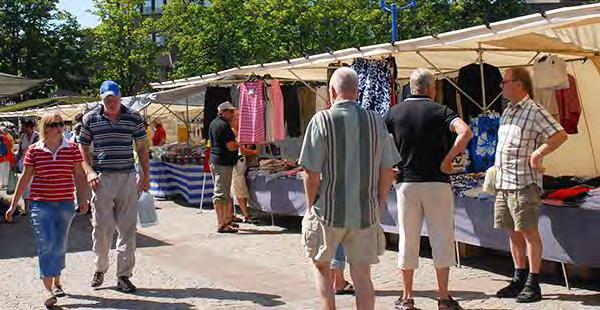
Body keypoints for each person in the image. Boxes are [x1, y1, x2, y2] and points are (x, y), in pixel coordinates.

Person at [299, 67, 400, 310]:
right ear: (357, 91)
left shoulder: (321, 120)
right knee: (362, 276)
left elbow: (310, 172)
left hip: (328, 210)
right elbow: (389, 169)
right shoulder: (375, 120)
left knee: (322, 267)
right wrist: (379, 200)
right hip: (365, 210)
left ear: (332, 92)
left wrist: (311, 205)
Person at [385, 68, 472, 310]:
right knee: (442, 238)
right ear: (432, 88)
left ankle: (407, 296)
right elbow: (465, 131)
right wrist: (448, 159)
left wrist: (389, 164)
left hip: (407, 183)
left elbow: (377, 139)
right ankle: (443, 297)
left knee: (408, 239)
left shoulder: (395, 112)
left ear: (410, 88)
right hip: (437, 182)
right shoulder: (441, 111)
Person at [494, 68, 567, 303]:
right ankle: (519, 278)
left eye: (504, 82)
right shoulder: (507, 111)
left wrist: (537, 154)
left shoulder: (534, 111)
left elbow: (559, 134)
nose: (501, 86)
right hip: (504, 183)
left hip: (524, 183)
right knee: (512, 232)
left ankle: (534, 283)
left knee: (529, 233)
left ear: (519, 84)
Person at [5, 112, 89, 309]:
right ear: (45, 127)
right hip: (40, 204)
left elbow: (79, 175)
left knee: (59, 244)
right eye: (53, 124)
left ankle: (57, 279)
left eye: (60, 124)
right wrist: (13, 204)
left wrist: (84, 199)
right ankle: (49, 290)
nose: (58, 127)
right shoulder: (34, 150)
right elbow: (25, 178)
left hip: (65, 204)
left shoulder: (72, 149)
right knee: (46, 244)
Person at [78, 80, 150, 293]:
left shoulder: (133, 117)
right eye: (107, 98)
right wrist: (89, 171)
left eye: (114, 98)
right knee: (101, 228)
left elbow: (143, 148)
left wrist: (145, 175)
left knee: (128, 229)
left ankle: (124, 275)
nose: (111, 102)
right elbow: (82, 147)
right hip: (102, 179)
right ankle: (100, 267)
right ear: (101, 98)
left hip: (127, 177)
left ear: (120, 97)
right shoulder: (90, 118)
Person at [208, 101, 240, 233]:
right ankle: (221, 224)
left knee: (224, 193)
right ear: (223, 112)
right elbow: (230, 146)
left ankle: (226, 220)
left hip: (219, 162)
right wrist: (240, 143)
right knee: (220, 194)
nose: (232, 114)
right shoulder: (222, 125)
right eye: (231, 111)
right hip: (222, 163)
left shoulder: (215, 123)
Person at [230, 110, 260, 224]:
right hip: (237, 163)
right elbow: (241, 149)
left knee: (237, 189)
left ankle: (234, 214)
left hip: (240, 163)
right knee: (239, 188)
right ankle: (246, 215)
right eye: (238, 119)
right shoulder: (233, 132)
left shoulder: (238, 132)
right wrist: (254, 152)